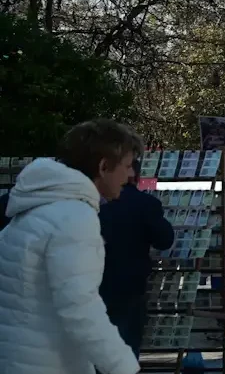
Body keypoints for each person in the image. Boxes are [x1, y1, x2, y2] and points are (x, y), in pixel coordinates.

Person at [0, 119, 143, 374]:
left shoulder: (35, 209)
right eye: (127, 165)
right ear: (103, 166)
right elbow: (80, 307)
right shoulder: (74, 218)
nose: (131, 175)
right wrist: (124, 367)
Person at [99, 158, 176, 355]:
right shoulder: (145, 204)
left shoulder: (87, 201)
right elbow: (164, 240)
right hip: (129, 287)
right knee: (125, 349)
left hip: (90, 285)